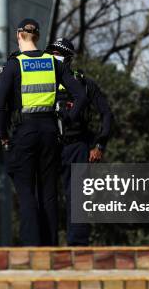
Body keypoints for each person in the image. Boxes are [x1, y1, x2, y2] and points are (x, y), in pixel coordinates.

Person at [0, 18, 87, 246]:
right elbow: (81, 95)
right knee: (48, 192)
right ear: (38, 36)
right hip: (50, 131)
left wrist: (3, 134)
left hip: (24, 131)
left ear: (19, 35)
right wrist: (66, 117)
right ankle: (50, 246)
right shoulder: (54, 63)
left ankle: (31, 247)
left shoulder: (14, 65)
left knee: (26, 191)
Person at [46, 38, 112, 246]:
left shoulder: (84, 83)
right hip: (48, 145)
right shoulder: (40, 82)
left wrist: (99, 145)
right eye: (52, 51)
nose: (54, 55)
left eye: (58, 52)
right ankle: (46, 245)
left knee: (78, 198)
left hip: (78, 146)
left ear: (68, 58)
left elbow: (107, 114)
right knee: (46, 196)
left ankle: (78, 247)